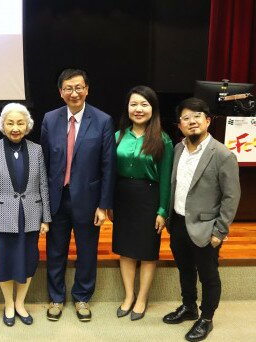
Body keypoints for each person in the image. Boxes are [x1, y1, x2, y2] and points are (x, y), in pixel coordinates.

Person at [40, 69, 116, 322]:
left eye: (79, 87)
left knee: (87, 251)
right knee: (55, 251)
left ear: (87, 89)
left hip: (89, 200)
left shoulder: (103, 120)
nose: (74, 93)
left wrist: (104, 205)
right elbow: (44, 164)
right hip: (56, 198)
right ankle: (56, 297)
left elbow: (108, 166)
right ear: (61, 92)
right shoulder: (50, 120)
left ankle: (82, 297)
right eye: (68, 88)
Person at [163, 98, 240, 342]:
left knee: (208, 275)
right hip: (178, 222)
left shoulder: (222, 154)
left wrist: (220, 231)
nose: (192, 121)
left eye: (197, 116)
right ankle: (188, 307)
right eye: (186, 118)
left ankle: (206, 318)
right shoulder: (177, 149)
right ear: (180, 125)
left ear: (208, 121)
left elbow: (231, 197)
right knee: (185, 269)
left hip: (207, 228)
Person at [0, 103, 51, 327]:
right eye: (10, 123)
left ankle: (20, 303)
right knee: (5, 262)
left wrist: (46, 218)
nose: (15, 127)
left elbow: (43, 186)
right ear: (2, 125)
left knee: (28, 261)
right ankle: (8, 305)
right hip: (2, 216)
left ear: (27, 126)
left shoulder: (37, 149)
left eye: (20, 123)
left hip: (30, 214)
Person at [110, 86, 173, 320]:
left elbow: (166, 178)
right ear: (127, 108)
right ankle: (128, 296)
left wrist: (162, 210)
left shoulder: (162, 140)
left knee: (147, 252)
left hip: (149, 198)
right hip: (123, 198)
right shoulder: (117, 137)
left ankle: (142, 298)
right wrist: (110, 203)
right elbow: (111, 175)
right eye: (134, 104)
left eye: (144, 105)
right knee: (125, 251)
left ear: (152, 109)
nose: (138, 109)